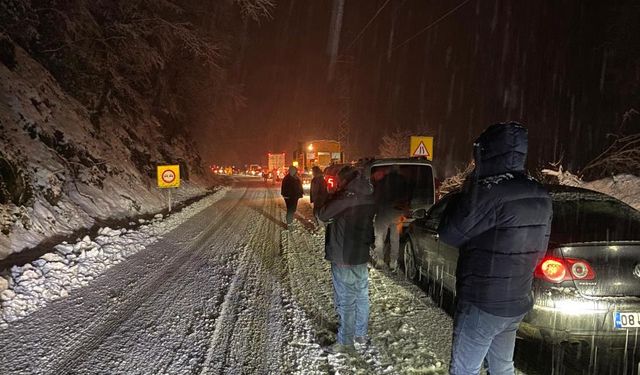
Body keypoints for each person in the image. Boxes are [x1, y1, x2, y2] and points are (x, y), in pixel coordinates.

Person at [438, 122, 552, 375]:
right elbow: (540, 249)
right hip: (516, 300)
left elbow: (448, 233)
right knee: (502, 367)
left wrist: (466, 193)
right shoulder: (539, 192)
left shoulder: (487, 192)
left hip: (483, 301)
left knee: (464, 369)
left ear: (485, 151)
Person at [318, 165, 376, 353]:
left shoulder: (345, 198)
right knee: (361, 296)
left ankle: (345, 341)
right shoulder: (368, 195)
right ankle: (360, 333)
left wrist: (332, 194)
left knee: (346, 300)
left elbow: (322, 214)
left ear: (344, 181)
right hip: (360, 255)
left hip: (344, 256)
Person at [372, 165, 410, 271]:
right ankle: (393, 262)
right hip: (397, 213)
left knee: (379, 237)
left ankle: (380, 260)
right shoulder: (403, 182)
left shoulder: (382, 182)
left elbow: (376, 197)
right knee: (395, 238)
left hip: (383, 212)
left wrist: (374, 211)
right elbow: (407, 197)